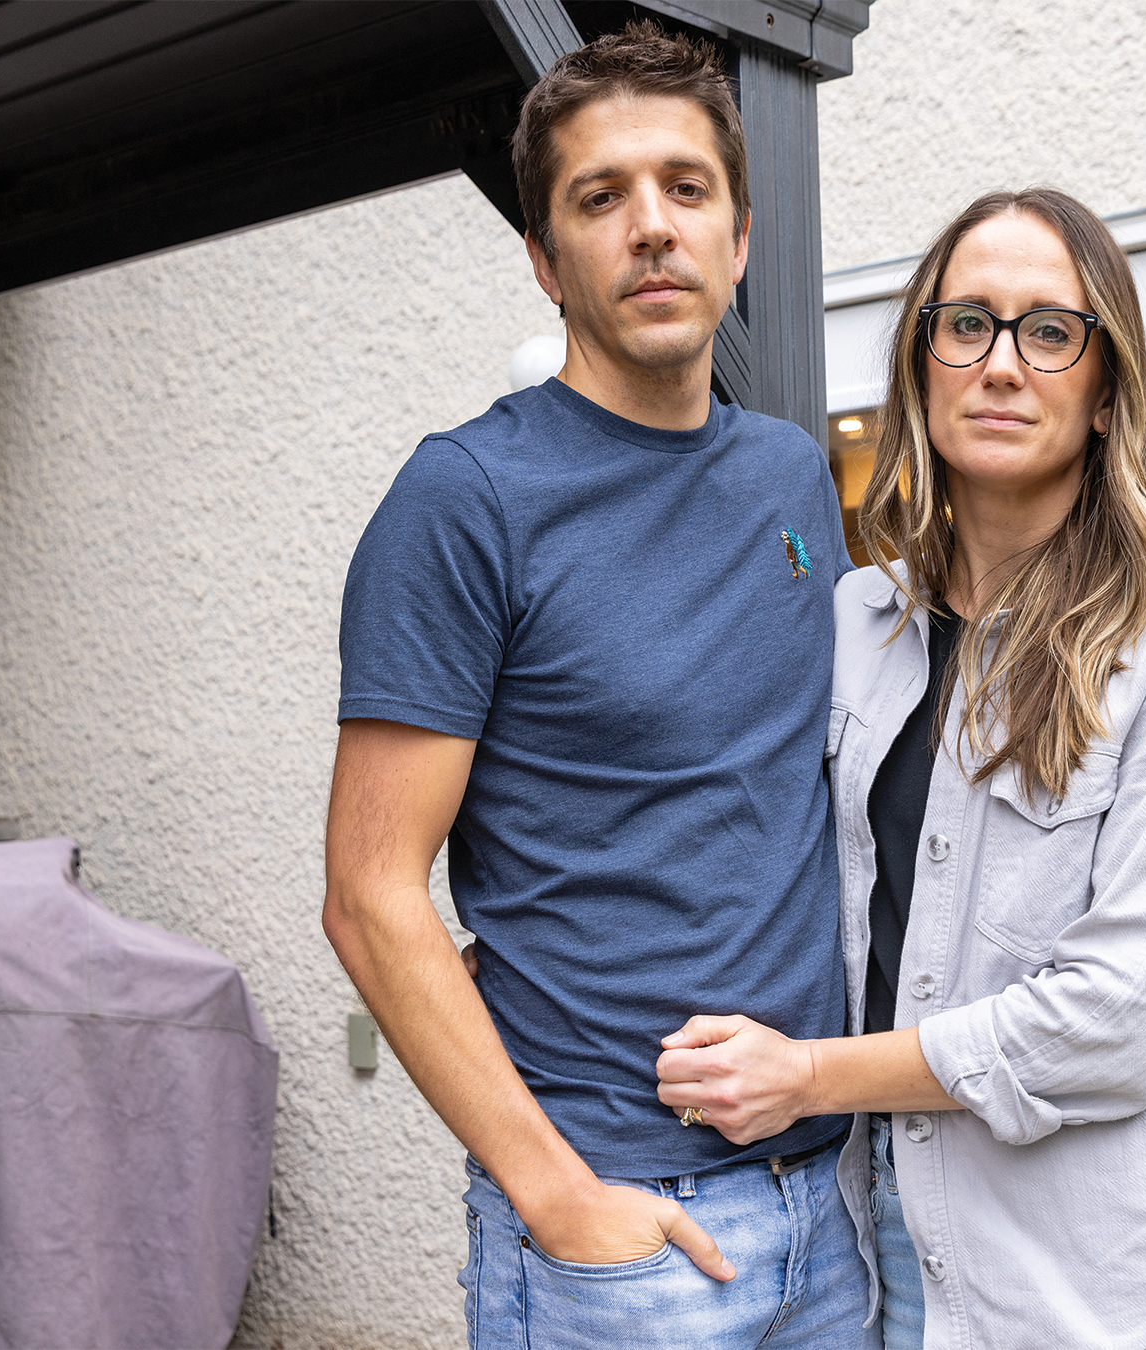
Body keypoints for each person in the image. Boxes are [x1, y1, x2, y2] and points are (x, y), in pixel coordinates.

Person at [655, 188, 1146, 1350]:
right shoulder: (854, 622)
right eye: (968, 324)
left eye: (1049, 331)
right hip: (914, 1265)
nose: (1002, 363)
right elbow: (719, 822)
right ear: (921, 365)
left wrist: (808, 1076)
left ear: (1106, 392)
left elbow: (1125, 1020)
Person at [321, 24, 870, 1349]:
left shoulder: (793, 476)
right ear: (545, 258)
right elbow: (371, 893)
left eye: (687, 189)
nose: (650, 228)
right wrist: (557, 1192)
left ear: (740, 241)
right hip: (624, 1241)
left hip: (828, 1202)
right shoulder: (466, 499)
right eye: (599, 197)